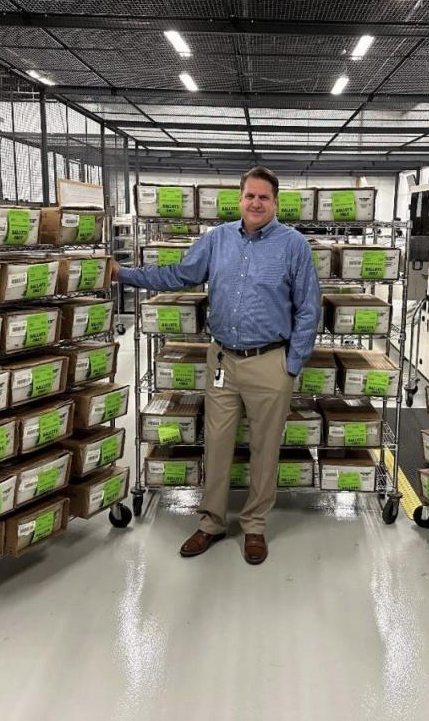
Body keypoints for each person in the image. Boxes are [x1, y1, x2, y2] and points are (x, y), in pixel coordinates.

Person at [112, 166, 321, 565]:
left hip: (270, 362)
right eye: (249, 196)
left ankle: (255, 525)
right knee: (218, 442)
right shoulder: (217, 239)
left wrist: (291, 366)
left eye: (264, 197)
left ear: (275, 202)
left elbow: (309, 309)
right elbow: (179, 275)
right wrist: (124, 274)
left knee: (264, 449)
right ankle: (211, 522)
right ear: (239, 200)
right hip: (223, 358)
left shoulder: (293, 245)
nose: (256, 202)